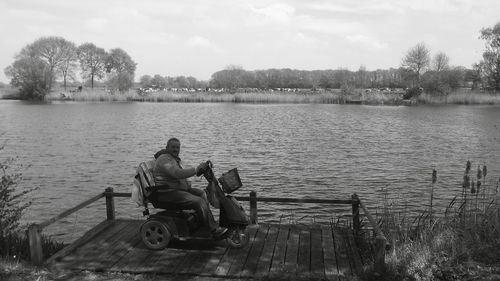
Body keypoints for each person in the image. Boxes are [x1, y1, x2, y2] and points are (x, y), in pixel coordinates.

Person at [152, 137, 228, 238]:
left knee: (202, 194)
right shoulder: (164, 159)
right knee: (199, 201)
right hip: (167, 193)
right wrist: (196, 170)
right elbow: (177, 173)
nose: (176, 149)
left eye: (178, 147)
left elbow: (177, 176)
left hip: (177, 190)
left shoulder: (172, 159)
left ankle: (205, 223)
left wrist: (196, 174)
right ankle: (213, 229)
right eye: (173, 147)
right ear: (167, 148)